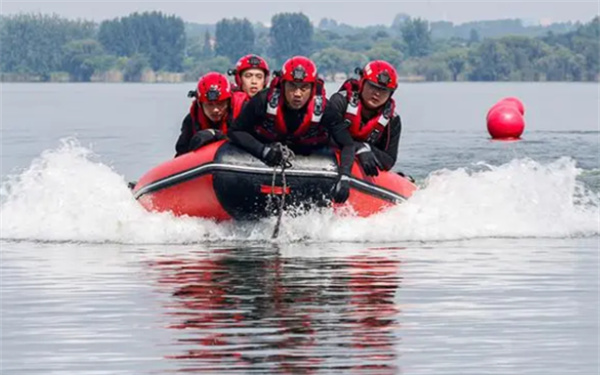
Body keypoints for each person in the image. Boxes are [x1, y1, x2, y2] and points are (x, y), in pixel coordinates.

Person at [321, 60, 403, 203]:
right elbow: (324, 136)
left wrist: (367, 149)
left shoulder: (393, 121)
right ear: (362, 83)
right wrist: (357, 147)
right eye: (372, 86)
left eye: (383, 90)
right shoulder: (340, 102)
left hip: (364, 172)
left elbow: (389, 160)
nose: (376, 93)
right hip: (330, 161)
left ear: (391, 94)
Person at [228, 56, 328, 167]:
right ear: (282, 85)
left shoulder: (325, 108)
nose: (297, 94)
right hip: (264, 156)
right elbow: (235, 131)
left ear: (313, 88)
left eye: (304, 87)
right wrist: (263, 151)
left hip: (309, 159)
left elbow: (342, 142)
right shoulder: (262, 100)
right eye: (292, 86)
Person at [174, 72, 246, 157]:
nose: (215, 110)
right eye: (209, 105)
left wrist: (216, 135)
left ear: (229, 102)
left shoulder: (243, 112)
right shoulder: (192, 120)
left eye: (220, 104)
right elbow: (181, 153)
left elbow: (251, 142)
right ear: (200, 104)